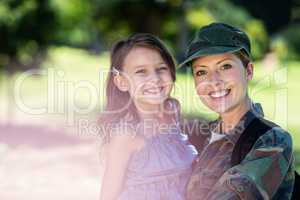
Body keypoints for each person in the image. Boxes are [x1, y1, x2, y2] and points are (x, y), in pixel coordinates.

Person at [179, 23, 295, 199]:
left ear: (248, 71)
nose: (214, 81)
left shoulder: (271, 141)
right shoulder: (203, 136)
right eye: (202, 72)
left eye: (225, 66)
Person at [99, 33, 198, 200]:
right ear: (122, 82)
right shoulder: (126, 135)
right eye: (141, 72)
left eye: (161, 69)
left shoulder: (172, 113)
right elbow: (108, 195)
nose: (155, 78)